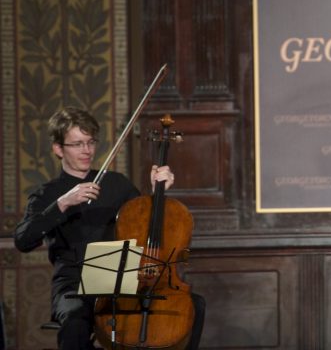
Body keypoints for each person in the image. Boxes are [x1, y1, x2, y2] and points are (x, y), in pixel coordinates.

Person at [14, 107, 204, 350]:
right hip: (75, 284)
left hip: (123, 279)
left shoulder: (116, 183)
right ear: (58, 149)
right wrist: (63, 203)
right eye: (77, 144)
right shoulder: (46, 194)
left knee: (193, 306)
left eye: (90, 142)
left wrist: (156, 191)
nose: (87, 150)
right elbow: (23, 240)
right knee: (74, 321)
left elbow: (145, 222)